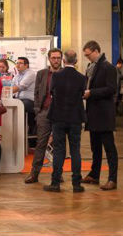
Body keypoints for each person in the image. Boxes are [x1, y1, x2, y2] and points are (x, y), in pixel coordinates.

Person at [44, 50, 87, 193]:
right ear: (76, 61)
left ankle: (55, 183)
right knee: (75, 151)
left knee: (59, 150)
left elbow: (51, 92)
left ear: (63, 60)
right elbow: (82, 94)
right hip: (75, 117)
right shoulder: (82, 77)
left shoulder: (56, 76)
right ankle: (76, 184)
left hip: (58, 117)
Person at [81, 40, 118, 191]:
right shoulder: (91, 66)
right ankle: (94, 175)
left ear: (96, 51)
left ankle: (112, 179)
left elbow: (111, 89)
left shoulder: (108, 67)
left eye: (88, 55)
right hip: (93, 112)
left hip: (104, 114)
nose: (87, 58)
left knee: (109, 148)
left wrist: (91, 93)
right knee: (95, 147)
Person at [25, 48, 63, 183]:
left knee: (59, 144)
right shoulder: (41, 74)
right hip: (44, 112)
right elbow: (36, 92)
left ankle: (58, 174)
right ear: (49, 59)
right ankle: (34, 174)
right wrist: (37, 110)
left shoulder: (65, 74)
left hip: (60, 114)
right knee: (40, 143)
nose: (56, 60)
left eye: (58, 58)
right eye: (53, 58)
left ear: (62, 59)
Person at [12, 57, 36, 147]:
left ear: (26, 65)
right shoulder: (17, 75)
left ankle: (20, 134)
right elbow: (12, 85)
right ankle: (15, 135)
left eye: (20, 63)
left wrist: (5, 91)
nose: (17, 65)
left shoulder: (30, 74)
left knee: (20, 104)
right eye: (17, 63)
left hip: (30, 102)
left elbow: (20, 87)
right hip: (20, 100)